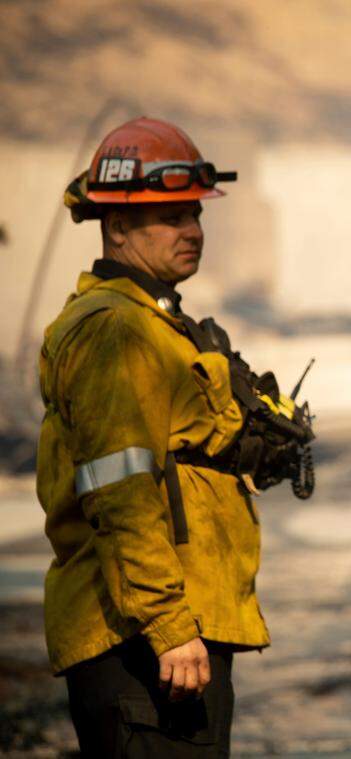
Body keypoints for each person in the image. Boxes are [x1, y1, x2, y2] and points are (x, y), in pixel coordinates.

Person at [40, 116, 314, 757]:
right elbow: (120, 486)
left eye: (194, 215)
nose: (191, 231)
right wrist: (167, 625)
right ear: (118, 226)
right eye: (169, 217)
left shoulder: (159, 323)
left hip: (171, 629)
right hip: (144, 641)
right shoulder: (115, 329)